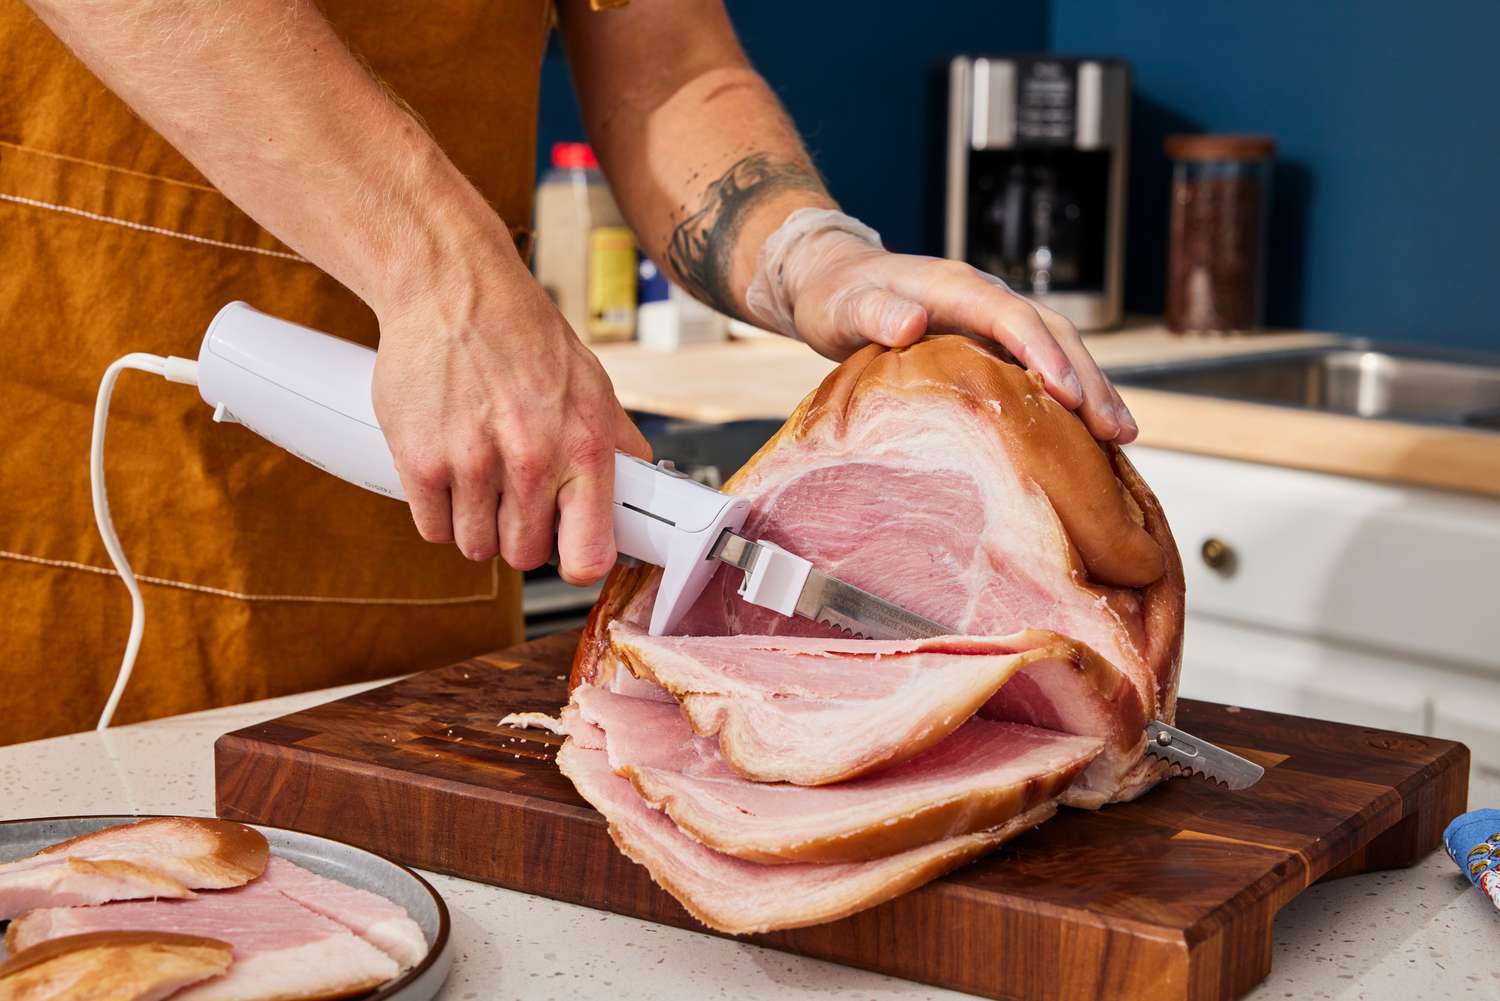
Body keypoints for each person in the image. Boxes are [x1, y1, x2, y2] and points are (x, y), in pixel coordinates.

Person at [0, 0, 1137, 744]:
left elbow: (669, 61)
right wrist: (446, 276)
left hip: (424, 555)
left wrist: (815, 259)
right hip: (62, 480)